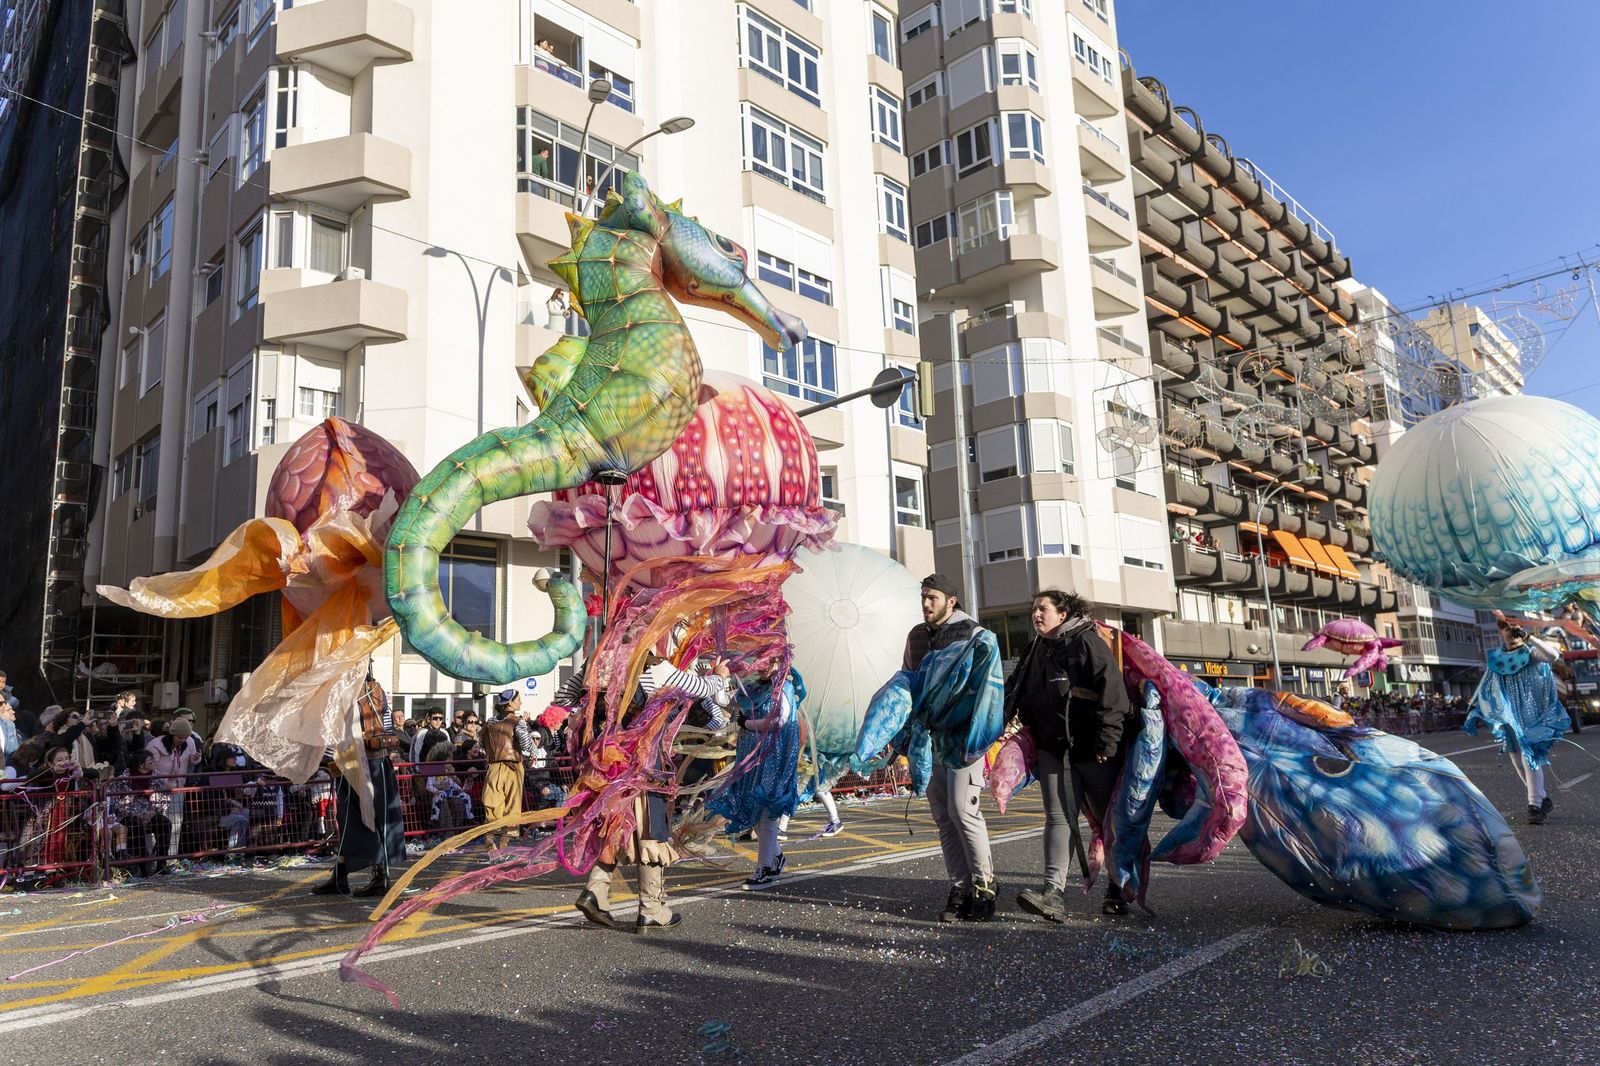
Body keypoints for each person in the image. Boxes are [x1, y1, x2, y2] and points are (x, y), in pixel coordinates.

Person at [1006, 589, 1134, 920]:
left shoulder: (1085, 642)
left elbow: (1113, 691)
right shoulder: (1035, 649)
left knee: (1110, 820)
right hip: (1053, 749)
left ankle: (1119, 887)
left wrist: (1107, 740)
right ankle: (1052, 894)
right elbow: (1017, 691)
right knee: (1058, 818)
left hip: (1094, 750)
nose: (1035, 615)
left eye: (1042, 609)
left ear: (1062, 615)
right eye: (1033, 609)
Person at [901, 573, 996, 923]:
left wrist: (978, 735)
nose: (926, 604)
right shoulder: (916, 636)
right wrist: (905, 737)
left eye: (933, 598)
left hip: (964, 737)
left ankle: (986, 886)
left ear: (951, 601)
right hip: (929, 739)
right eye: (923, 597)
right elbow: (908, 681)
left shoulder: (975, 635)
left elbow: (989, 690)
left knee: (963, 810)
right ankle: (961, 886)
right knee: (943, 815)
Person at [1467, 619, 1573, 825]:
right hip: (1508, 715)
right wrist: (1473, 706)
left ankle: (1534, 805)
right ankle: (1541, 798)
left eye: (1514, 627)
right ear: (1501, 632)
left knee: (1528, 755)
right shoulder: (1497, 657)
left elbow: (1552, 656)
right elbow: (1485, 682)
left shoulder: (1531, 653)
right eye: (1507, 628)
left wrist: (1529, 637)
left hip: (1530, 716)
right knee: (1516, 758)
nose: (1511, 632)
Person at [707, 665, 803, 890]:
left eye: (768, 661)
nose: (761, 666)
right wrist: (717, 677)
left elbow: (780, 721)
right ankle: (775, 858)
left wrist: (747, 724)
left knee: (766, 814)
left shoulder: (784, 688)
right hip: (750, 758)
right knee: (754, 812)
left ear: (779, 662)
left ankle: (764, 869)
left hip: (772, 758)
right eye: (759, 661)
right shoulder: (752, 688)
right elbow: (725, 701)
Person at [313, 676, 405, 897]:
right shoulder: (373, 688)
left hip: (356, 764)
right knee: (353, 820)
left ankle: (378, 877)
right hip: (373, 761)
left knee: (363, 818)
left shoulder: (343, 690)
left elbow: (333, 731)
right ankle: (341, 876)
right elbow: (386, 725)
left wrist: (325, 759)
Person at [481, 689, 531, 856]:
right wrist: (534, 752)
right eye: (518, 700)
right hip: (513, 767)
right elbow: (526, 744)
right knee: (512, 804)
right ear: (510, 703)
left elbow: (482, 741)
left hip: (494, 766)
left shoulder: (489, 722)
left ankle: (489, 837)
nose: (521, 702)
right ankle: (504, 842)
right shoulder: (518, 721)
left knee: (492, 802)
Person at [108, 751, 172, 877]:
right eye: (150, 761)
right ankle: (143, 865)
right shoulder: (124, 779)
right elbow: (118, 803)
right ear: (141, 764)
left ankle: (161, 863)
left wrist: (153, 811)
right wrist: (136, 814)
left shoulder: (156, 776)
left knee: (165, 823)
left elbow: (164, 797)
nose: (154, 763)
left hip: (150, 812)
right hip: (129, 815)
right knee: (136, 827)